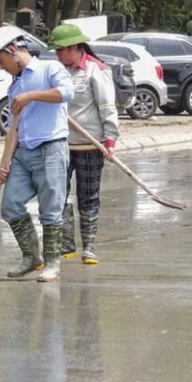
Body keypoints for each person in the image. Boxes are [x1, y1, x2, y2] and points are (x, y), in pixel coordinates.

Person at [0, 27, 74, 283]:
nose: (3, 68)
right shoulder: (16, 87)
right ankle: (31, 257)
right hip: (24, 151)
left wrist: (31, 96)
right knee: (10, 206)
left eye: (2, 62)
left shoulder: (50, 69)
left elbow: (67, 93)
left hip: (52, 147)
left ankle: (52, 264)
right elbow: (14, 128)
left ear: (13, 51)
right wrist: (5, 161)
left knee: (51, 210)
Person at [49, 24, 119, 265]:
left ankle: (89, 246)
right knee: (59, 194)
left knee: (88, 195)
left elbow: (107, 106)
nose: (58, 54)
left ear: (75, 47)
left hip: (90, 143)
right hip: (61, 143)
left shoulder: (95, 70)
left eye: (61, 50)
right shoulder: (57, 71)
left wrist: (110, 140)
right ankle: (66, 245)